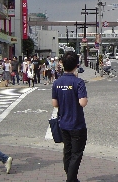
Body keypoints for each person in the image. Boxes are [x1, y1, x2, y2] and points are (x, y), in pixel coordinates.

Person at [52, 51, 88, 182]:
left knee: (67, 151)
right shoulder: (78, 82)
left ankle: (71, 177)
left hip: (63, 123)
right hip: (77, 123)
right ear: (76, 65)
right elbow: (82, 102)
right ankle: (71, 179)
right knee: (76, 153)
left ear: (62, 64)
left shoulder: (57, 82)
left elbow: (55, 103)